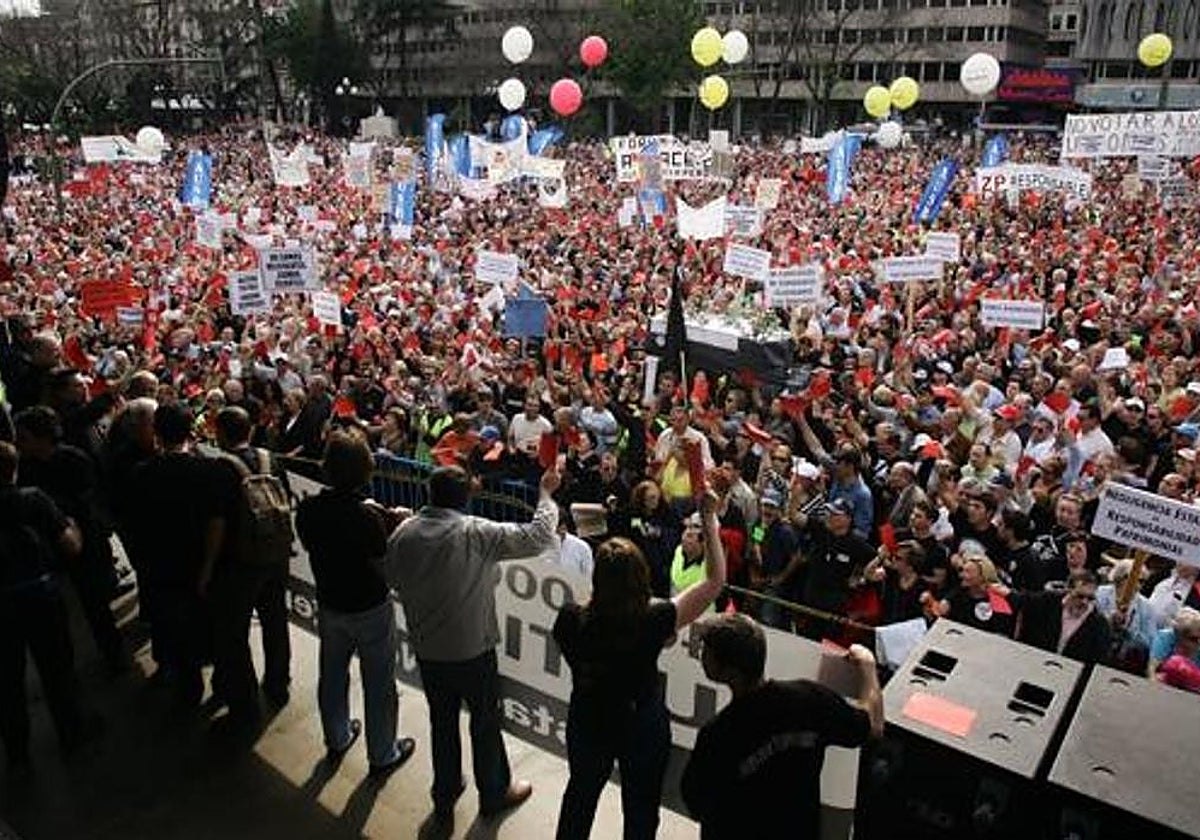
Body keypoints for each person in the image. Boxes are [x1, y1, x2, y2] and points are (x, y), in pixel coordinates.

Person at [383, 463, 562, 821]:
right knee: (484, 722)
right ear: (465, 499)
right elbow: (540, 535)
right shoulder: (475, 532)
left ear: (430, 494)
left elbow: (392, 578)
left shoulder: (404, 533)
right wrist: (546, 494)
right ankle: (493, 793)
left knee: (442, 722)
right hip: (473, 652)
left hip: (428, 650)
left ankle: (445, 792)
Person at [552, 488, 726, 840]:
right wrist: (708, 518)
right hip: (640, 724)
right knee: (641, 809)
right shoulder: (653, 620)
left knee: (580, 797)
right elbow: (714, 582)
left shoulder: (570, 619)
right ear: (640, 578)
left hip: (588, 716)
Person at [680, 613, 883, 840]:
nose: (702, 655)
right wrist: (868, 669)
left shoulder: (718, 734)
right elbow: (872, 727)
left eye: (707, 652)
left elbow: (695, 803)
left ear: (729, 671)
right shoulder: (811, 700)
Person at [296, 431, 415, 775]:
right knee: (379, 682)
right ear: (365, 471)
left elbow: (311, 544)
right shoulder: (366, 518)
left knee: (332, 674)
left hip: (330, 603)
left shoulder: (309, 508)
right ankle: (383, 753)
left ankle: (337, 737)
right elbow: (383, 568)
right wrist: (398, 526)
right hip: (369, 609)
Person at [125, 404, 225, 708]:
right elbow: (216, 522)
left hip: (163, 568)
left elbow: (135, 524)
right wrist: (209, 567)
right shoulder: (208, 470)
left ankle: (188, 691)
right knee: (213, 627)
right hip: (202, 565)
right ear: (191, 431)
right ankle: (222, 688)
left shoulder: (141, 474)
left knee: (177, 633)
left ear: (156, 433)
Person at [0, 441, 90, 772]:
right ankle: (72, 733)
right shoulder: (33, 499)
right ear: (14, 469)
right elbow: (70, 545)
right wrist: (74, 527)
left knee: (7, 681)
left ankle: (17, 751)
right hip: (41, 597)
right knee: (57, 670)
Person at [207, 406, 294, 732]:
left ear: (220, 433)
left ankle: (244, 706)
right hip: (276, 556)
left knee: (234, 634)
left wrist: (207, 568)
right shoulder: (272, 460)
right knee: (275, 620)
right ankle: (278, 683)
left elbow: (217, 524)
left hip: (239, 563)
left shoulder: (221, 469)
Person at [1007, 570, 1111, 664]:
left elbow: (1098, 659)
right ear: (1068, 590)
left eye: (1090, 598)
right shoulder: (1047, 602)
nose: (1085, 602)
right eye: (1080, 596)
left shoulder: (1099, 624)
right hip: (1036, 662)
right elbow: (1023, 600)